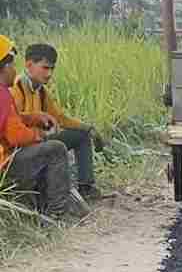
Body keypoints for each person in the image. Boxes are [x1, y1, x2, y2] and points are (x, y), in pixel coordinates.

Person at [0, 35, 88, 221]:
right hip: (4, 165)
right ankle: (57, 214)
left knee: (47, 148)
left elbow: (11, 120)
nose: (15, 71)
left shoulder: (31, 92)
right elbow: (16, 136)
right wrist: (39, 134)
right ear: (3, 67)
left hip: (9, 158)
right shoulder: (5, 94)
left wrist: (32, 118)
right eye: (12, 65)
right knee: (54, 149)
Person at [11, 44, 106, 200]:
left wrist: (89, 128)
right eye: (45, 68)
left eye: (52, 69)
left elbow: (60, 118)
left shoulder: (40, 91)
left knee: (81, 135)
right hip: (23, 148)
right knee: (56, 147)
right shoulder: (16, 89)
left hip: (38, 141)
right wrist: (36, 120)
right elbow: (13, 125)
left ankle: (86, 187)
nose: (49, 74)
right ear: (29, 65)